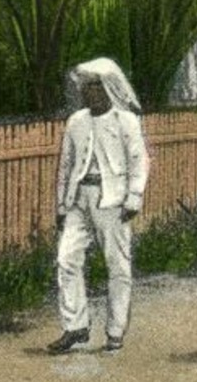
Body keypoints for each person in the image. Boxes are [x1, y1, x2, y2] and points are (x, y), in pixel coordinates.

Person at [49, 58, 149, 354]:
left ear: (108, 88)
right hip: (79, 198)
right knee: (67, 259)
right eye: (86, 88)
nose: (88, 94)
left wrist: (134, 197)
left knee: (117, 265)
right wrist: (61, 205)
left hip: (113, 200)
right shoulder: (76, 121)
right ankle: (75, 326)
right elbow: (66, 165)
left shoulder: (125, 120)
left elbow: (138, 160)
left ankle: (115, 330)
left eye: (95, 87)